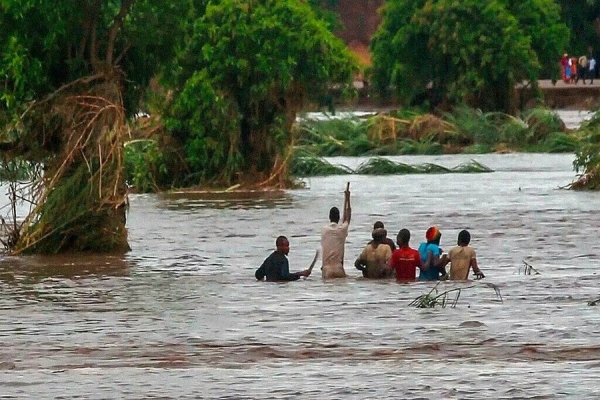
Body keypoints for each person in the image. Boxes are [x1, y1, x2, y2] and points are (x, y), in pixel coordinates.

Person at [321, 184, 351, 279]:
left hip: (327, 269)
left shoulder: (324, 230)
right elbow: (347, 218)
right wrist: (348, 199)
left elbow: (345, 220)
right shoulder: (341, 230)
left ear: (329, 217)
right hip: (338, 268)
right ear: (338, 218)